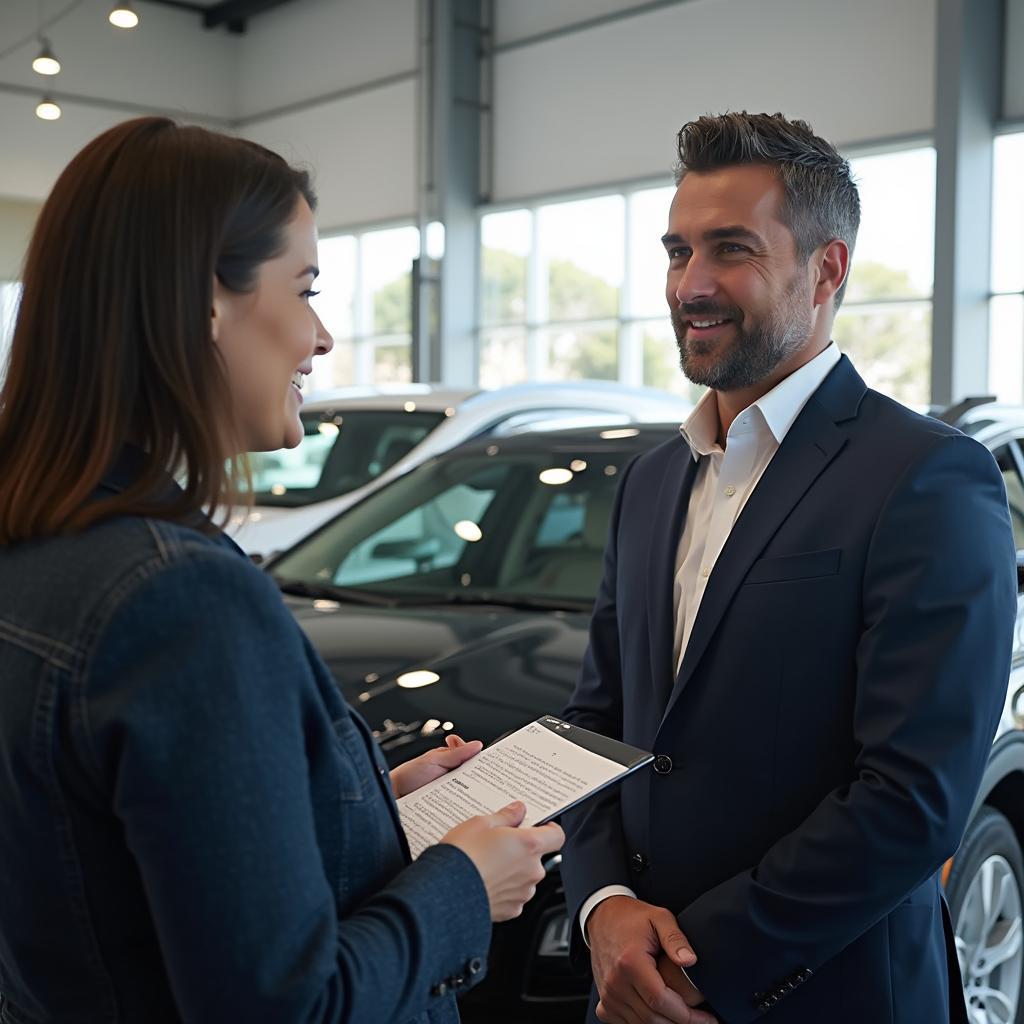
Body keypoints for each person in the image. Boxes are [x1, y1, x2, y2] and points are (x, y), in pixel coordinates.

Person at [0, 117, 563, 1024]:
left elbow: (126, 853)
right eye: (304, 289)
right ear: (203, 303)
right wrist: (463, 881)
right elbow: (286, 1005)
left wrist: (363, 806)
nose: (323, 336)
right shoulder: (174, 598)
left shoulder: (39, 548)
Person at [559, 111, 1017, 1024]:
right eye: (677, 250)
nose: (691, 284)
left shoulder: (924, 476)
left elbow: (911, 799)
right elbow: (597, 724)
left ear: (827, 270)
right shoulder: (654, 480)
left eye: (730, 249)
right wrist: (605, 911)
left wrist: (692, 963)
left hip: (824, 994)